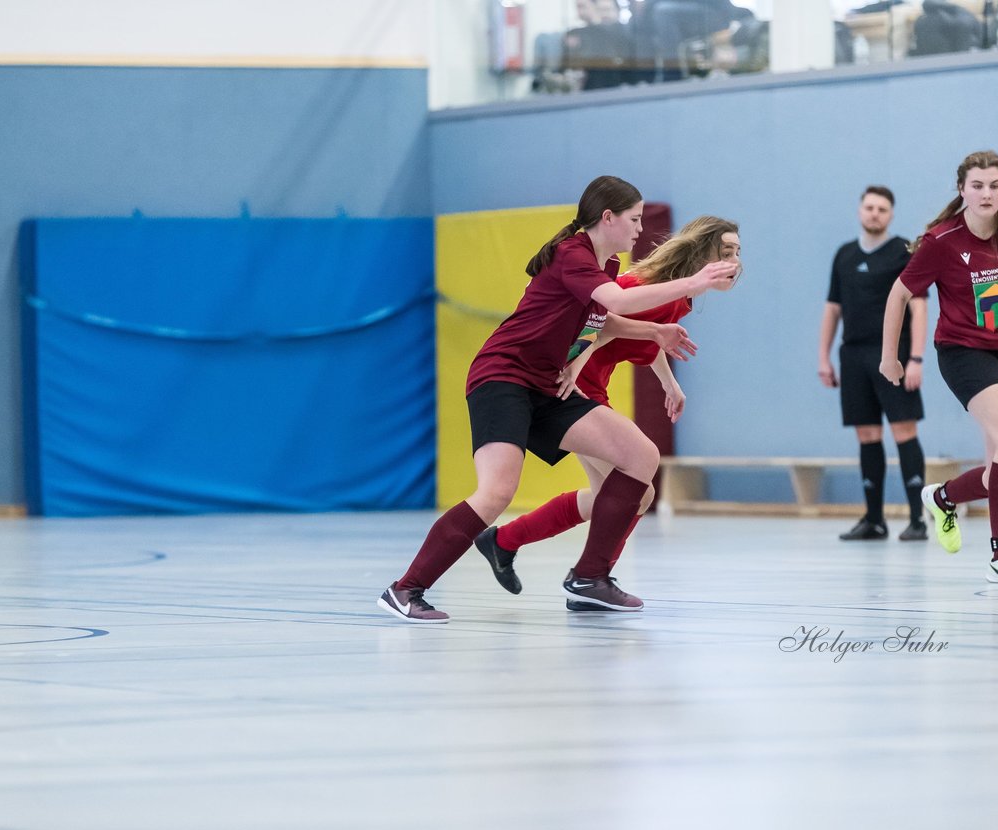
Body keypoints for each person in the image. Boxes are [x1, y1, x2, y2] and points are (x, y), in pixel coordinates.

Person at [377, 176, 737, 622]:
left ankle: (590, 578)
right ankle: (406, 588)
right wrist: (691, 283)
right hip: (503, 377)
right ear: (608, 218)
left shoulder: (603, 266)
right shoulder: (574, 255)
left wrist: (645, 335)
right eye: (634, 219)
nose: (640, 230)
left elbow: (597, 321)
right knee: (496, 492)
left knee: (640, 456)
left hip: (549, 384)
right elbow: (617, 302)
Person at [474, 216, 742, 602]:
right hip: (576, 386)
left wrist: (669, 382)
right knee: (638, 490)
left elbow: (647, 335)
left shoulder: (680, 297)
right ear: (702, 254)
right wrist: (575, 368)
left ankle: (506, 542)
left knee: (611, 495)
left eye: (737, 252)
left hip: (592, 384)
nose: (735, 261)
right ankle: (588, 577)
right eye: (725, 252)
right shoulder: (642, 285)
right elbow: (593, 321)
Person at [879, 150, 998, 584]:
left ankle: (944, 497)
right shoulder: (941, 241)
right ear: (961, 190)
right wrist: (889, 357)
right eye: (977, 186)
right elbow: (898, 295)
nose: (987, 193)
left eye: (995, 185)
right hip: (963, 352)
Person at [819, 186, 928, 542]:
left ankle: (917, 520)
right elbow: (832, 309)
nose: (875, 213)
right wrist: (824, 357)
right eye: (869, 207)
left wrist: (915, 358)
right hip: (853, 356)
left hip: (894, 356)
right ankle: (874, 519)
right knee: (867, 434)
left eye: (882, 208)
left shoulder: (903, 251)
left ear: (891, 214)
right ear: (859, 210)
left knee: (903, 430)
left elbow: (919, 306)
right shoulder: (844, 255)